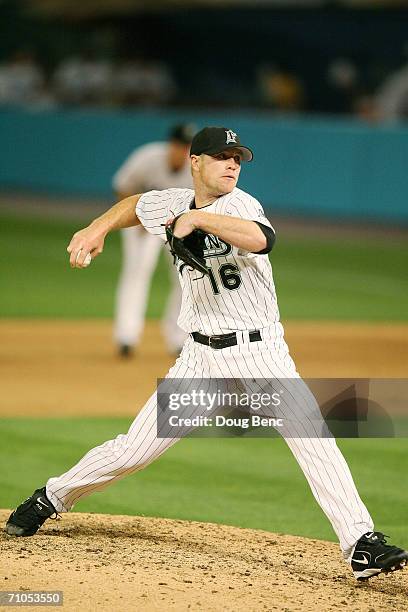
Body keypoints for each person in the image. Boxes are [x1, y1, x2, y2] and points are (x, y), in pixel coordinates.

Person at [5, 127, 407, 582]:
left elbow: (261, 239)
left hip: (259, 354)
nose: (233, 164)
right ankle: (52, 496)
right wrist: (96, 228)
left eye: (237, 157)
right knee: (134, 451)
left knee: (312, 437)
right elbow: (135, 205)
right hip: (198, 360)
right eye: (221, 156)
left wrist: (200, 221)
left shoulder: (241, 205)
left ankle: (360, 543)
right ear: (195, 162)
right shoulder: (170, 202)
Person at [112, 123, 195, 357]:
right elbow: (122, 187)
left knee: (185, 277)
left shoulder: (196, 168)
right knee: (137, 271)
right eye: (180, 144)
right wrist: (138, 219)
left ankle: (178, 338)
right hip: (140, 221)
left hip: (178, 225)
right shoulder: (148, 158)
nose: (184, 150)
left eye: (187, 146)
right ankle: (126, 336)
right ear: (171, 144)